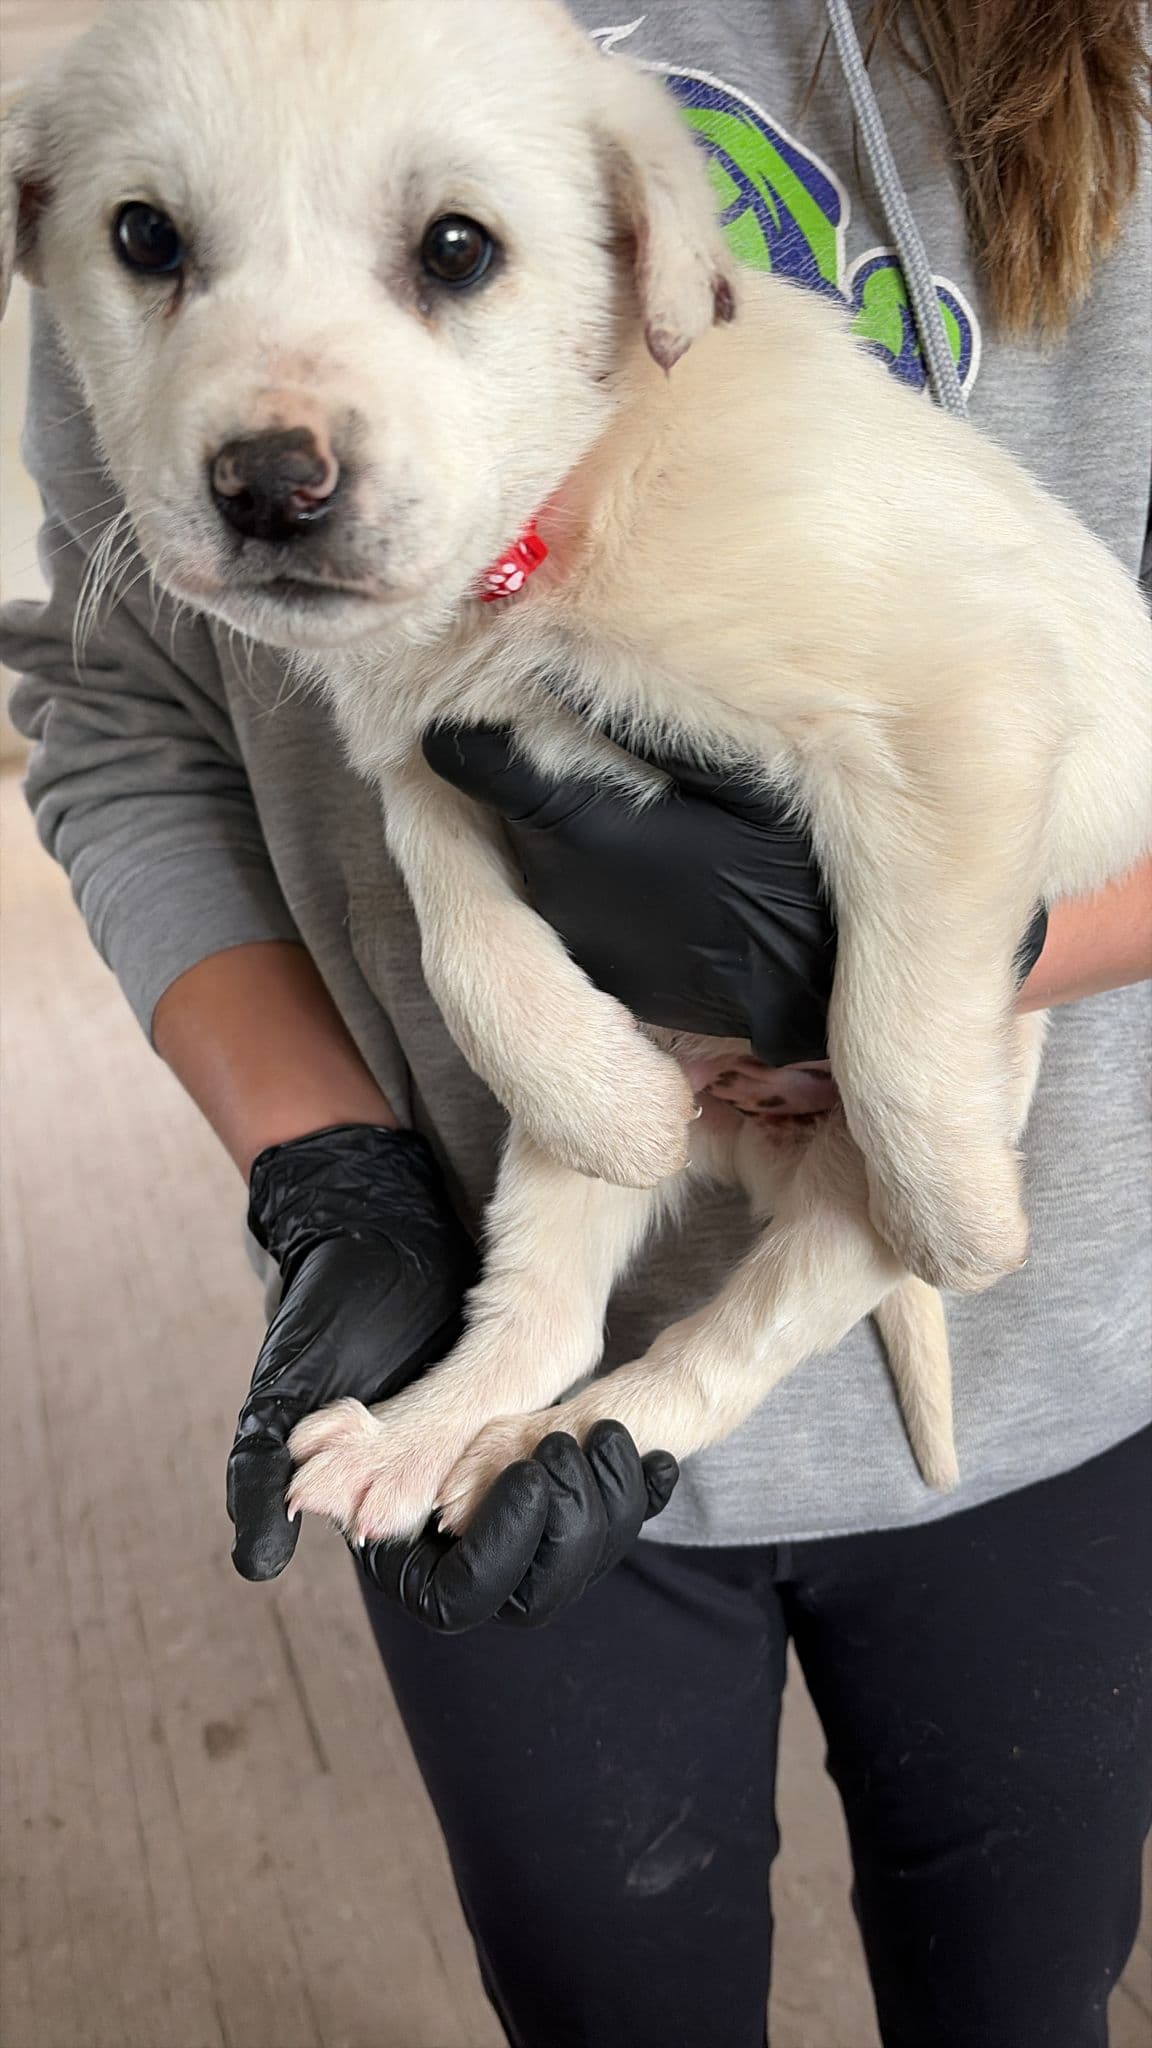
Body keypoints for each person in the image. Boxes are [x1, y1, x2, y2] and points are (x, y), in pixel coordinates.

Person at [3, 4, 1150, 2043]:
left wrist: (944, 976)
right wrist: (328, 1173)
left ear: (659, 277)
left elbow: (1026, 705)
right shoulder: (217, 53)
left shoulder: (1072, 65)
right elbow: (126, 706)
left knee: (1023, 1992)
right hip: (494, 1321)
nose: (274, 433)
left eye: (451, 252)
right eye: (156, 252)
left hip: (1060, 1364)